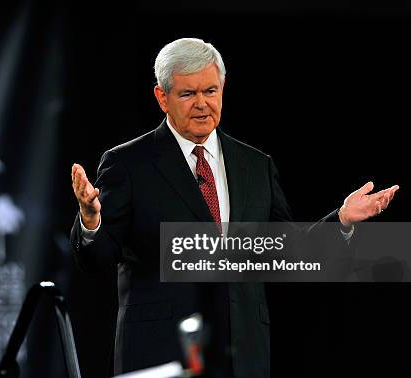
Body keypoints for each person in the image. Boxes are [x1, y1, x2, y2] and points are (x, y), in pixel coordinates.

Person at [70, 38, 399, 377]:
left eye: (210, 91)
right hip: (161, 353)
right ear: (162, 98)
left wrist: (341, 220)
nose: (202, 104)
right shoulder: (127, 164)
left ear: (223, 88)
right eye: (188, 94)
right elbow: (96, 261)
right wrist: (92, 220)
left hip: (242, 354)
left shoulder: (255, 165)